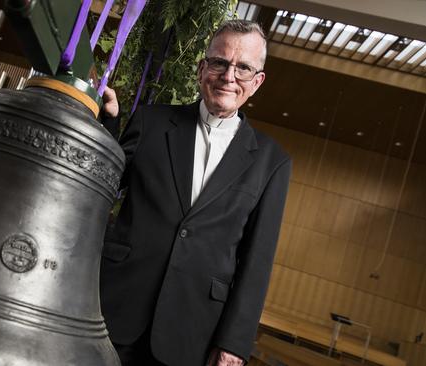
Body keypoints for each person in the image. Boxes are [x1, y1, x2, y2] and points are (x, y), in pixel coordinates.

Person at [99, 20, 291, 366]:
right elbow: (101, 185)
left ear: (257, 81)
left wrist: (234, 343)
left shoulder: (272, 161)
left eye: (243, 67)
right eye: (220, 62)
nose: (229, 76)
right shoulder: (150, 122)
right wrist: (107, 123)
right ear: (202, 68)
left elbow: (257, 261)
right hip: (114, 307)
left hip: (191, 330)